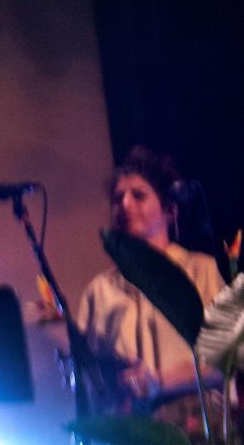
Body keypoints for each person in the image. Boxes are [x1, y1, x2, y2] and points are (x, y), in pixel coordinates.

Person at [77, 146, 225, 428]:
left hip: (199, 426)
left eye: (138, 195)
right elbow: (90, 379)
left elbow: (223, 361)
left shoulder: (201, 270)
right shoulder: (99, 290)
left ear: (170, 210)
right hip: (132, 429)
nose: (125, 204)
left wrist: (158, 382)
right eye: (117, 198)